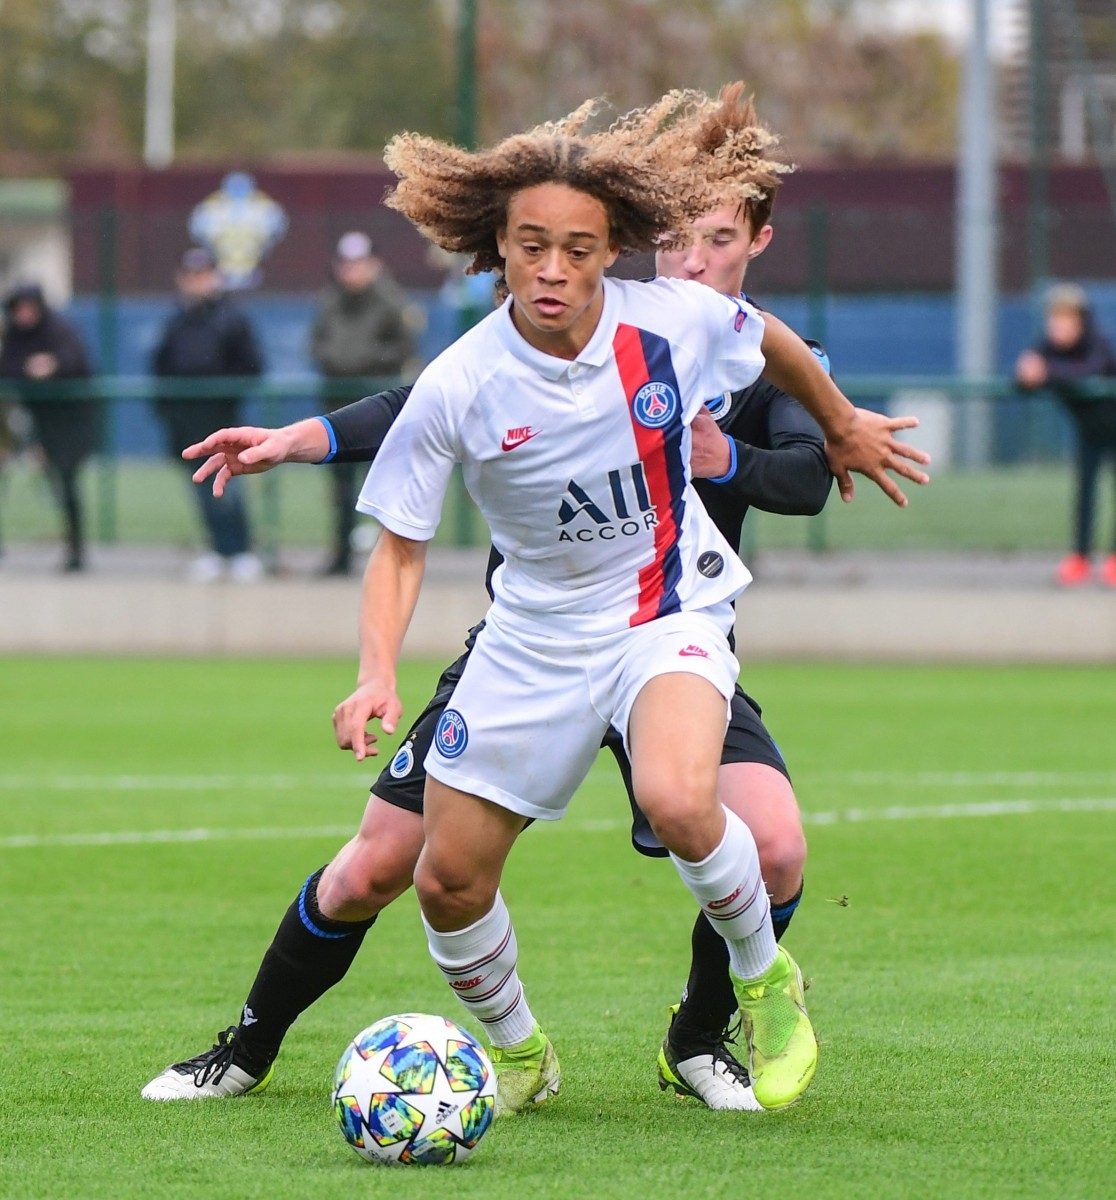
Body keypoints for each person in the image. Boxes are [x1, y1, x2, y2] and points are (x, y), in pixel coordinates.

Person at [144, 87, 928, 1113]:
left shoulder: (676, 327)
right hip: (529, 640)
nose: (555, 269)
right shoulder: (465, 379)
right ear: (498, 252)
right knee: (431, 877)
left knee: (692, 804)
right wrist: (373, 668)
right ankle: (512, 1054)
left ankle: (753, 992)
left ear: (610, 251)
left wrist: (844, 426)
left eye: (578, 248)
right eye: (532, 247)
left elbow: (777, 345)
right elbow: (399, 543)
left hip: (666, 616)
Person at [151, 247, 265, 582]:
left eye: (203, 274)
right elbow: (162, 368)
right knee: (201, 490)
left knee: (228, 490)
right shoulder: (176, 321)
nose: (196, 281)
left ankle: (242, 551)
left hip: (222, 421)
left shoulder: (232, 318)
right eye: (191, 275)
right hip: (187, 424)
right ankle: (218, 549)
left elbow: (251, 366)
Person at [310, 231, 416, 575]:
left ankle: (395, 561)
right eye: (346, 264)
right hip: (339, 405)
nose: (352, 271)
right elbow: (318, 345)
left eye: (358, 263)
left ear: (373, 265)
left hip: (380, 409)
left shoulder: (391, 301)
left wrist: (362, 361)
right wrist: (340, 362)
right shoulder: (329, 301)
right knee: (341, 489)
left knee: (389, 488)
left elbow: (403, 348)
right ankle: (341, 555)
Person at [1014, 283, 1116, 588]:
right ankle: (1080, 558)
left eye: (1066, 319)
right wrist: (1026, 373)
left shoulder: (1097, 342)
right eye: (1054, 319)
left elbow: (1089, 370)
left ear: (1080, 321)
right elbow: (1025, 376)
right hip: (1089, 431)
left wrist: (1047, 373)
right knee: (1084, 493)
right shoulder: (1047, 346)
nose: (1058, 326)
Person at [0, 284, 98, 571]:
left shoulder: (60, 331)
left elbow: (77, 361)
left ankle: (76, 549)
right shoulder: (15, 338)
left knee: (65, 483)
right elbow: (8, 366)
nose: (24, 315)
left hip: (65, 423)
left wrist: (53, 365)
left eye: (29, 307)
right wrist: (28, 368)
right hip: (25, 420)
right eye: (19, 309)